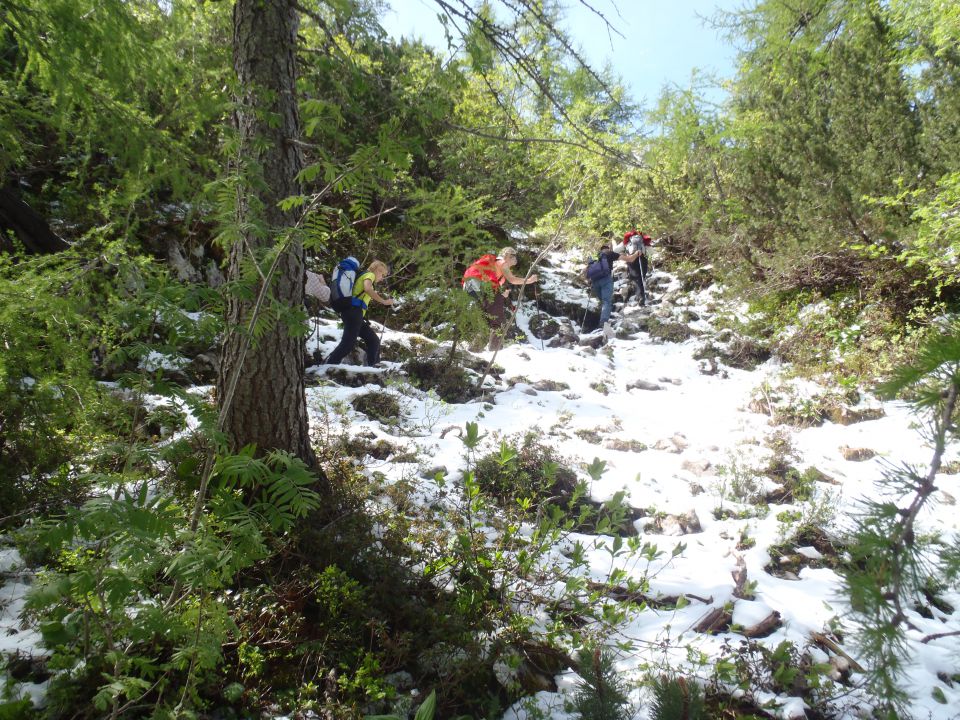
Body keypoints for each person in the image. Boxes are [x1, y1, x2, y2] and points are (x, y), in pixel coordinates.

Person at [462, 246, 538, 350]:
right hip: (482, 287)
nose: (516, 259)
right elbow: (512, 280)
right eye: (513, 256)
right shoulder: (502, 262)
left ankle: (474, 350)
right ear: (507, 256)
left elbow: (495, 290)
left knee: (487, 322)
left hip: (470, 288)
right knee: (498, 321)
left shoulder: (495, 268)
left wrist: (502, 295)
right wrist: (529, 280)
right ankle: (495, 352)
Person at [326, 259, 394, 366]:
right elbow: (367, 288)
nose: (382, 278)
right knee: (348, 343)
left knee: (373, 340)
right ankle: (328, 366)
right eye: (382, 274)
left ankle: (373, 368)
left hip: (353, 313)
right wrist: (384, 302)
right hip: (353, 312)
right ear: (377, 270)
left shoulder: (363, 275)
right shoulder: (370, 275)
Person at [585, 241, 621, 339]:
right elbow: (627, 258)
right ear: (608, 249)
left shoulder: (595, 257)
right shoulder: (608, 254)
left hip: (595, 281)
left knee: (603, 301)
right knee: (606, 301)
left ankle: (604, 317)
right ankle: (603, 322)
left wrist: (590, 281)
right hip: (606, 279)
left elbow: (588, 270)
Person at [614, 230, 649, 306]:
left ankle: (640, 296)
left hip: (632, 260)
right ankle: (641, 295)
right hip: (643, 260)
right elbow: (652, 251)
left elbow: (615, 250)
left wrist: (624, 252)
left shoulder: (627, 241)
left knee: (636, 278)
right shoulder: (642, 240)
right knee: (641, 277)